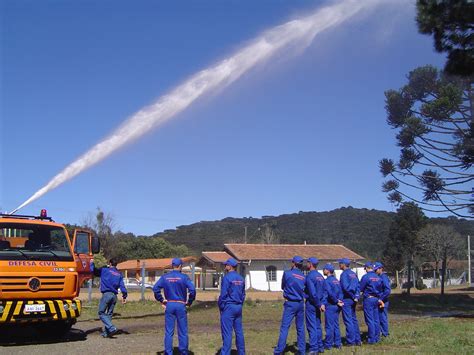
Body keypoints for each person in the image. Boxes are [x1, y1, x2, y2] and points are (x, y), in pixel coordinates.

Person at [153, 258, 196, 355]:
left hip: (170, 304)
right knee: (183, 331)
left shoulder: (165, 277)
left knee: (169, 331)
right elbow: (192, 290)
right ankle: (184, 352)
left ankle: (168, 352)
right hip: (181, 304)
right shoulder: (184, 277)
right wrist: (189, 301)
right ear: (180, 266)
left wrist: (161, 299)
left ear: (172, 266)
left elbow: (155, 288)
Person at [274, 256, 306, 355]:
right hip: (300, 303)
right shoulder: (304, 276)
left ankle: (279, 350)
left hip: (290, 303)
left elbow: (283, 286)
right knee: (300, 327)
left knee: (285, 327)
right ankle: (302, 350)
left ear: (293, 263)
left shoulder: (287, 273)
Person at [92, 258, 128, 338]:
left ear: (110, 263)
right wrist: (124, 296)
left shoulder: (105, 270)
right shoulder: (119, 274)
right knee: (109, 314)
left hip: (106, 294)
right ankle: (106, 333)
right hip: (114, 296)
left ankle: (112, 328)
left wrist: (92, 264)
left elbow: (94, 271)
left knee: (101, 313)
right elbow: (123, 287)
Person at [218, 258, 246, 355]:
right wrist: (240, 304)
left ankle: (225, 352)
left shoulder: (227, 278)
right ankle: (241, 352)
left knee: (227, 332)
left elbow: (223, 295)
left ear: (230, 266)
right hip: (238, 306)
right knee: (239, 331)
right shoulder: (241, 278)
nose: (225, 266)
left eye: (226, 265)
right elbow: (243, 294)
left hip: (229, 307)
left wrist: (221, 306)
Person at [305, 257, 326, 354]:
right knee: (318, 325)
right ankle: (320, 346)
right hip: (320, 304)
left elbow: (312, 293)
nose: (306, 264)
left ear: (310, 264)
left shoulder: (310, 276)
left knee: (311, 326)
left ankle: (314, 348)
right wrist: (322, 304)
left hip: (312, 304)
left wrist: (318, 304)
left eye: (307, 262)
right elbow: (325, 291)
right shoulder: (320, 276)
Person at [338, 258, 361, 346]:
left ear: (344, 264)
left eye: (340, 263)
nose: (339, 265)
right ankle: (357, 340)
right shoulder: (353, 274)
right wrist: (356, 296)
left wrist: (352, 296)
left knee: (348, 320)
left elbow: (345, 287)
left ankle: (351, 341)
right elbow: (358, 286)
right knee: (354, 319)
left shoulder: (344, 274)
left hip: (347, 299)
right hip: (353, 299)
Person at [359, 262, 384, 344]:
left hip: (368, 299)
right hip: (376, 299)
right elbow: (381, 289)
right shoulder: (378, 277)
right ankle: (377, 338)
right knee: (376, 319)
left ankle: (371, 339)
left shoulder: (365, 277)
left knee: (370, 320)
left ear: (366, 268)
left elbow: (361, 288)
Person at [322, 263, 344, 350]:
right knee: (336, 325)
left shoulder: (327, 281)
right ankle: (338, 343)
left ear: (327, 271)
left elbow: (330, 294)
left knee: (329, 326)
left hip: (331, 305)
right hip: (338, 306)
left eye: (324, 269)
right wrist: (340, 301)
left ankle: (328, 344)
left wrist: (336, 301)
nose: (323, 270)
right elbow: (341, 292)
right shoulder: (336, 280)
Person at [374, 261, 391, 338]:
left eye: (376, 269)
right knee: (379, 317)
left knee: (382, 317)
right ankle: (381, 333)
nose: (375, 271)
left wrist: (381, 299)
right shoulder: (378, 277)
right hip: (379, 299)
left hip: (383, 300)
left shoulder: (383, 277)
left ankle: (385, 334)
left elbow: (387, 290)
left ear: (381, 269)